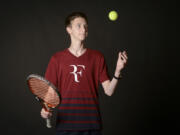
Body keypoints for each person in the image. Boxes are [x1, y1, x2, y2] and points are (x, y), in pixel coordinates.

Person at [40, 12, 128, 135]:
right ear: (69, 29)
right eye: (79, 25)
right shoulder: (57, 59)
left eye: (85, 26)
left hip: (92, 126)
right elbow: (49, 94)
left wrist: (118, 71)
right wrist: (45, 110)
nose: (84, 29)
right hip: (65, 126)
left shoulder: (97, 57)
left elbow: (109, 91)